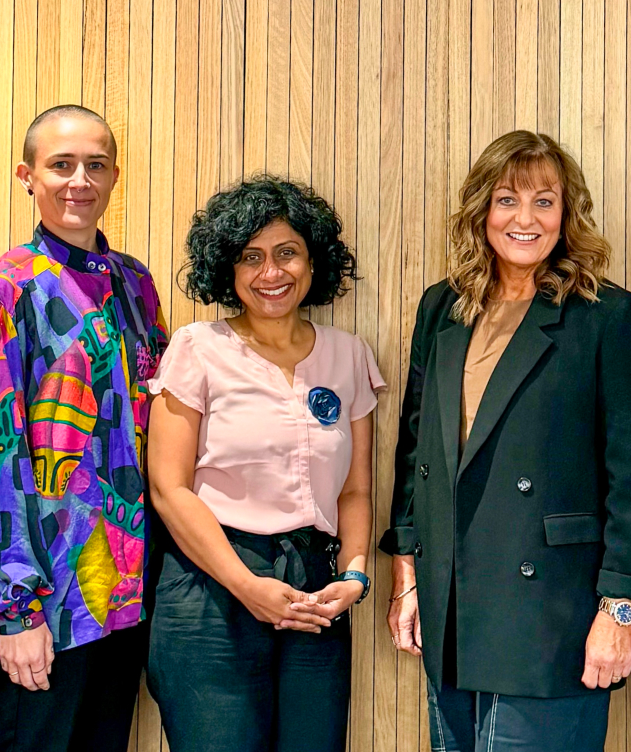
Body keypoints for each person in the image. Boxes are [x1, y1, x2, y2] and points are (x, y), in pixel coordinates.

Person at [380, 130, 631, 751]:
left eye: (544, 201)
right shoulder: (443, 309)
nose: (525, 218)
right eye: (508, 199)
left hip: (553, 614)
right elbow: (415, 451)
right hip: (451, 604)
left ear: (567, 214)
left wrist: (619, 613)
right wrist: (407, 579)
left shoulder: (607, 315)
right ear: (482, 210)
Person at [0, 104, 167, 751]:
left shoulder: (136, 284)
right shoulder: (5, 289)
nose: (79, 179)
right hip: (46, 605)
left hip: (124, 598)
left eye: (95, 165)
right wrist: (14, 608)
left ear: (114, 177)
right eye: (61, 164)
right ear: (27, 176)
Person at [145, 176, 381, 752]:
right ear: (227, 268)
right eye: (251, 258)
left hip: (314, 593)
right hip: (211, 590)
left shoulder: (348, 355)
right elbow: (169, 489)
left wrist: (352, 576)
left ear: (312, 260)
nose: (270, 273)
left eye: (286, 253)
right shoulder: (197, 348)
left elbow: (355, 492)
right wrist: (246, 584)